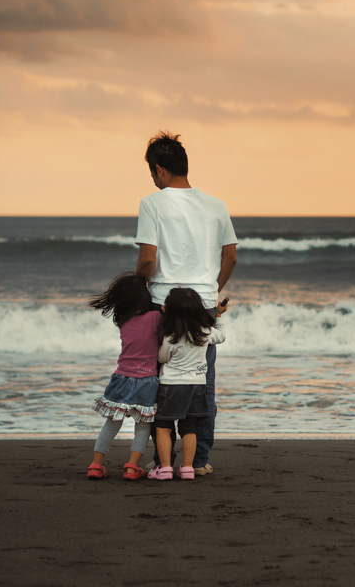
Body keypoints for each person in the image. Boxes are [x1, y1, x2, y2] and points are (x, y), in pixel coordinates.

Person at [135, 132, 238, 476]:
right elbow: (230, 257)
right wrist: (210, 291)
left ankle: (162, 461)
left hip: (163, 303)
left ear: (159, 169)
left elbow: (147, 260)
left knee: (160, 380)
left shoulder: (152, 203)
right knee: (202, 383)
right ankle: (199, 461)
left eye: (152, 172)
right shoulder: (217, 205)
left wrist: (139, 291)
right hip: (204, 304)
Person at [87, 272, 163, 480]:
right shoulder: (155, 318)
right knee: (143, 426)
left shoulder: (123, 320)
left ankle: (95, 465)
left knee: (111, 423)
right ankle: (131, 467)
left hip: (121, 377)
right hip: (147, 380)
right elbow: (162, 339)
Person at [148, 288, 227, 481]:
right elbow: (221, 336)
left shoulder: (171, 336)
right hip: (197, 387)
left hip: (171, 387)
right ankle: (188, 468)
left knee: (163, 427)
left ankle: (165, 468)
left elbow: (162, 358)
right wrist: (218, 315)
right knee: (190, 428)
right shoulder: (205, 332)